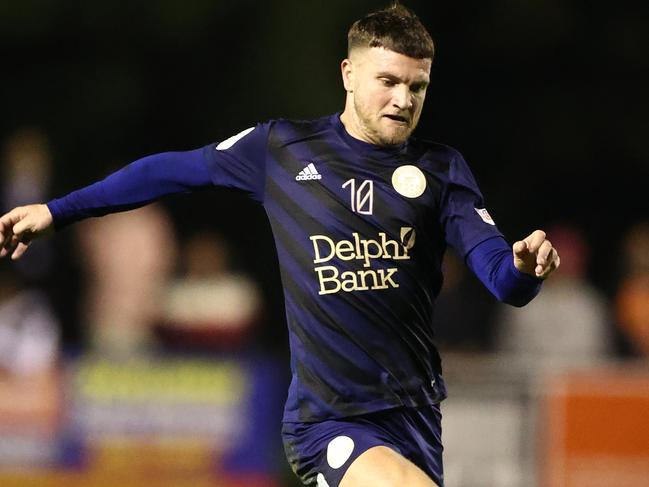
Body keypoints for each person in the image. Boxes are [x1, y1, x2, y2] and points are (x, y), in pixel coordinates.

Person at [0, 4, 559, 487]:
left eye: (417, 87)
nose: (403, 99)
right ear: (348, 73)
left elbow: (503, 280)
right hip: (330, 420)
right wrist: (57, 210)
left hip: (416, 417)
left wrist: (523, 266)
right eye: (388, 81)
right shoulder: (285, 149)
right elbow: (170, 171)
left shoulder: (441, 168)